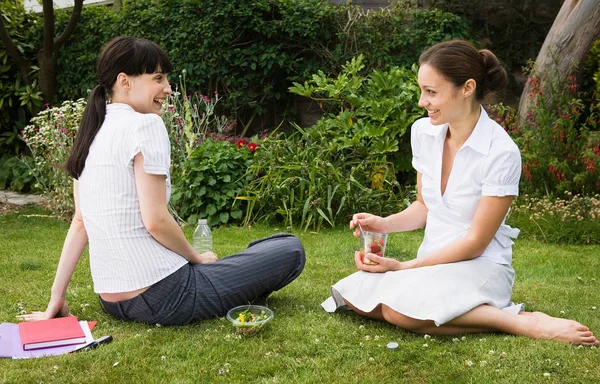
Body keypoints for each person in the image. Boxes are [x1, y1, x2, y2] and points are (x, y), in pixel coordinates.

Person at [321, 40, 598, 346]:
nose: (421, 102)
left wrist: (404, 267)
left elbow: (475, 243)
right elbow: (425, 207)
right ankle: (467, 309)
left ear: (467, 88)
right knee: (356, 298)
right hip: (434, 263)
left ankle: (519, 322)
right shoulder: (423, 133)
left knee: (401, 314)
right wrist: (383, 223)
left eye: (431, 92)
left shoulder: (501, 152)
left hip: (481, 265)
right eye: (421, 91)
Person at [18, 36, 305, 326]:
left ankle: (229, 271)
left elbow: (80, 222)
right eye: (158, 78)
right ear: (124, 81)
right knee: (288, 247)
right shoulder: (146, 124)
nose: (168, 88)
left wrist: (57, 296)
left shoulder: (93, 130)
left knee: (259, 253)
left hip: (113, 301)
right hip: (165, 296)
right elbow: (155, 220)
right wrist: (195, 257)